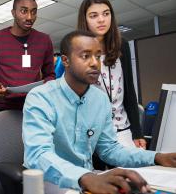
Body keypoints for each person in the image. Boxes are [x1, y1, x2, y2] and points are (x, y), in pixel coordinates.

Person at [23, 30, 176, 193]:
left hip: (89, 177)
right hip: (49, 180)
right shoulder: (40, 97)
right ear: (65, 61)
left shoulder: (101, 100)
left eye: (98, 56)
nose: (95, 63)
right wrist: (86, 178)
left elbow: (110, 149)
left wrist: (157, 157)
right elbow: (38, 156)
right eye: (85, 56)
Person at [77, 0, 146, 149]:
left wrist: (137, 132)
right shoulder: (78, 51)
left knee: (136, 170)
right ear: (85, 20)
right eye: (94, 15)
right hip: (94, 133)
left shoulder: (122, 45)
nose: (101, 20)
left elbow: (129, 91)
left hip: (123, 128)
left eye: (106, 14)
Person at [0, 0, 55, 113]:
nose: (30, 17)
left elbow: (50, 75)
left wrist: (47, 84)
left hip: (34, 106)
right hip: (4, 107)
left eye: (34, 11)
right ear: (13, 13)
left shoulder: (44, 40)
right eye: (24, 11)